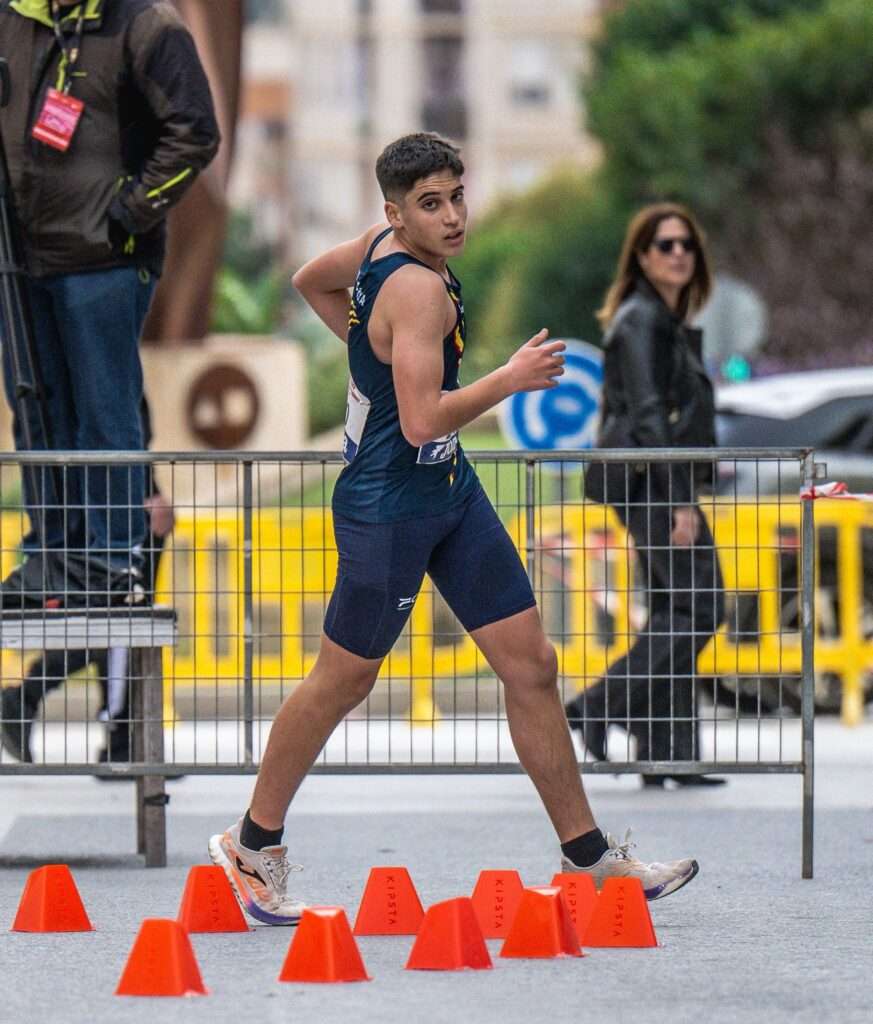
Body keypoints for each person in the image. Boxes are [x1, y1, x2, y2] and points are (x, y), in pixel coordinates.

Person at [208, 134, 699, 926]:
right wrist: (507, 379)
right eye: (429, 204)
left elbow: (310, 280)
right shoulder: (414, 291)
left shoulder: (377, 249)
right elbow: (419, 420)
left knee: (530, 665)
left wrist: (370, 361)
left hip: (449, 492)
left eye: (456, 197)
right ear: (395, 214)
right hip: (389, 506)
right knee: (343, 679)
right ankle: (251, 843)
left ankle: (588, 858)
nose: (451, 216)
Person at [0, 0, 219, 608]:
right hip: (19, 259)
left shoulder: (145, 23)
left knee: (104, 413)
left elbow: (196, 132)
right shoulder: (12, 17)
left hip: (106, 260)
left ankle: (112, 562)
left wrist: (127, 213)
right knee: (37, 413)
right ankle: (52, 558)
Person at [565, 203, 726, 788]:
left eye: (686, 244)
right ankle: (595, 705)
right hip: (654, 484)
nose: (678, 253)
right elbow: (650, 414)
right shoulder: (640, 320)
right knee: (702, 607)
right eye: (665, 245)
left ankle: (668, 754)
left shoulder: (662, 319)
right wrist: (680, 498)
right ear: (641, 256)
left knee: (671, 610)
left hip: (655, 481)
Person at [0, 398, 175, 764]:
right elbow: (117, 428)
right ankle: (117, 736)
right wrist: (149, 490)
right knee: (120, 622)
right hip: (122, 511)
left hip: (109, 506)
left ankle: (118, 735)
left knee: (112, 620)